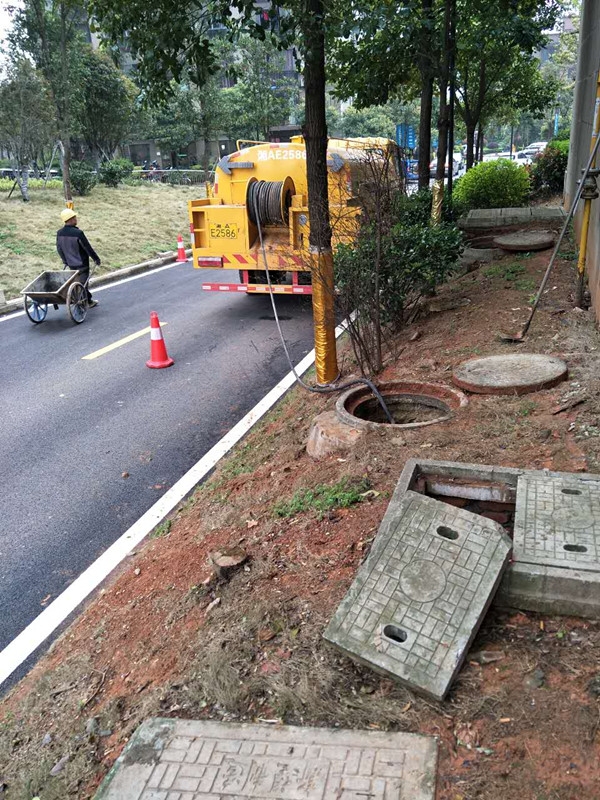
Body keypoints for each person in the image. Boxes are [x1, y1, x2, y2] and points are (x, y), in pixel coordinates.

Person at [56, 208, 101, 307]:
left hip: (71, 263)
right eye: (75, 217)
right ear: (71, 219)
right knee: (83, 283)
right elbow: (87, 248)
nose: (76, 219)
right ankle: (87, 302)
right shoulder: (78, 233)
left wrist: (65, 260)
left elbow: (59, 249)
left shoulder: (59, 233)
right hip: (82, 263)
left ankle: (87, 299)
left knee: (77, 282)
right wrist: (96, 259)